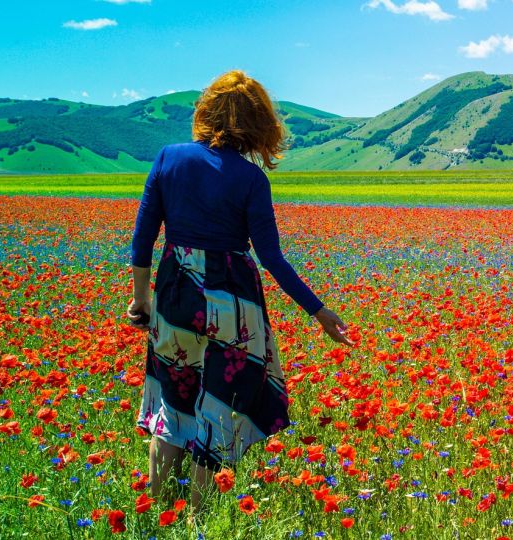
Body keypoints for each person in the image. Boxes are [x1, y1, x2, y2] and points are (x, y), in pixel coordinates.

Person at [125, 70, 354, 517]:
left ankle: (157, 516)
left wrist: (141, 300)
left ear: (205, 111)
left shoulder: (168, 159)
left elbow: (142, 242)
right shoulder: (251, 180)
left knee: (173, 407)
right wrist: (319, 310)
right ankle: (198, 522)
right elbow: (272, 258)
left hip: (175, 298)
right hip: (233, 307)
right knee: (217, 411)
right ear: (258, 124)